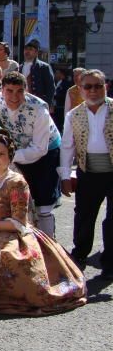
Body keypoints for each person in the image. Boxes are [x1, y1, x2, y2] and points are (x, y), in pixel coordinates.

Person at [0, 133, 86, 314]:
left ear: (10, 157)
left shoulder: (16, 182)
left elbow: (18, 222)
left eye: (1, 154)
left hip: (13, 232)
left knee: (7, 256)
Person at [0, 72, 61, 237]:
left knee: (43, 205)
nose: (14, 96)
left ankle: (49, 245)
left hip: (45, 152)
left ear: (26, 91)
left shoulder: (39, 109)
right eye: (10, 91)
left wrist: (8, 157)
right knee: (22, 198)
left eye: (19, 91)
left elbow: (40, 149)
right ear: (2, 90)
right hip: (17, 151)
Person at [59, 69, 113, 278]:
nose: (93, 91)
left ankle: (110, 263)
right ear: (80, 90)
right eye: (88, 87)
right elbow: (67, 147)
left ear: (105, 87)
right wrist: (65, 176)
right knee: (84, 216)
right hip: (88, 170)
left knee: (112, 221)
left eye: (98, 86)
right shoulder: (74, 114)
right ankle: (80, 254)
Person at [20, 40, 55, 108]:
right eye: (26, 49)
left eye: (30, 49)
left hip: (39, 103)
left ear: (36, 52)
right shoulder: (20, 67)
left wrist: (47, 104)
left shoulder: (44, 67)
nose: (27, 51)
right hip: (23, 103)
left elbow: (51, 88)